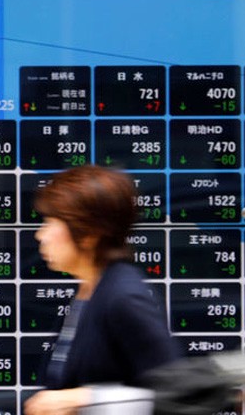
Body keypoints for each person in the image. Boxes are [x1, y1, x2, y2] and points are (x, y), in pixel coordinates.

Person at [24, 165, 180, 415]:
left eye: (51, 222)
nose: (40, 235)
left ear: (88, 232)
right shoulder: (91, 290)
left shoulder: (123, 296)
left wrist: (86, 399)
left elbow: (177, 391)